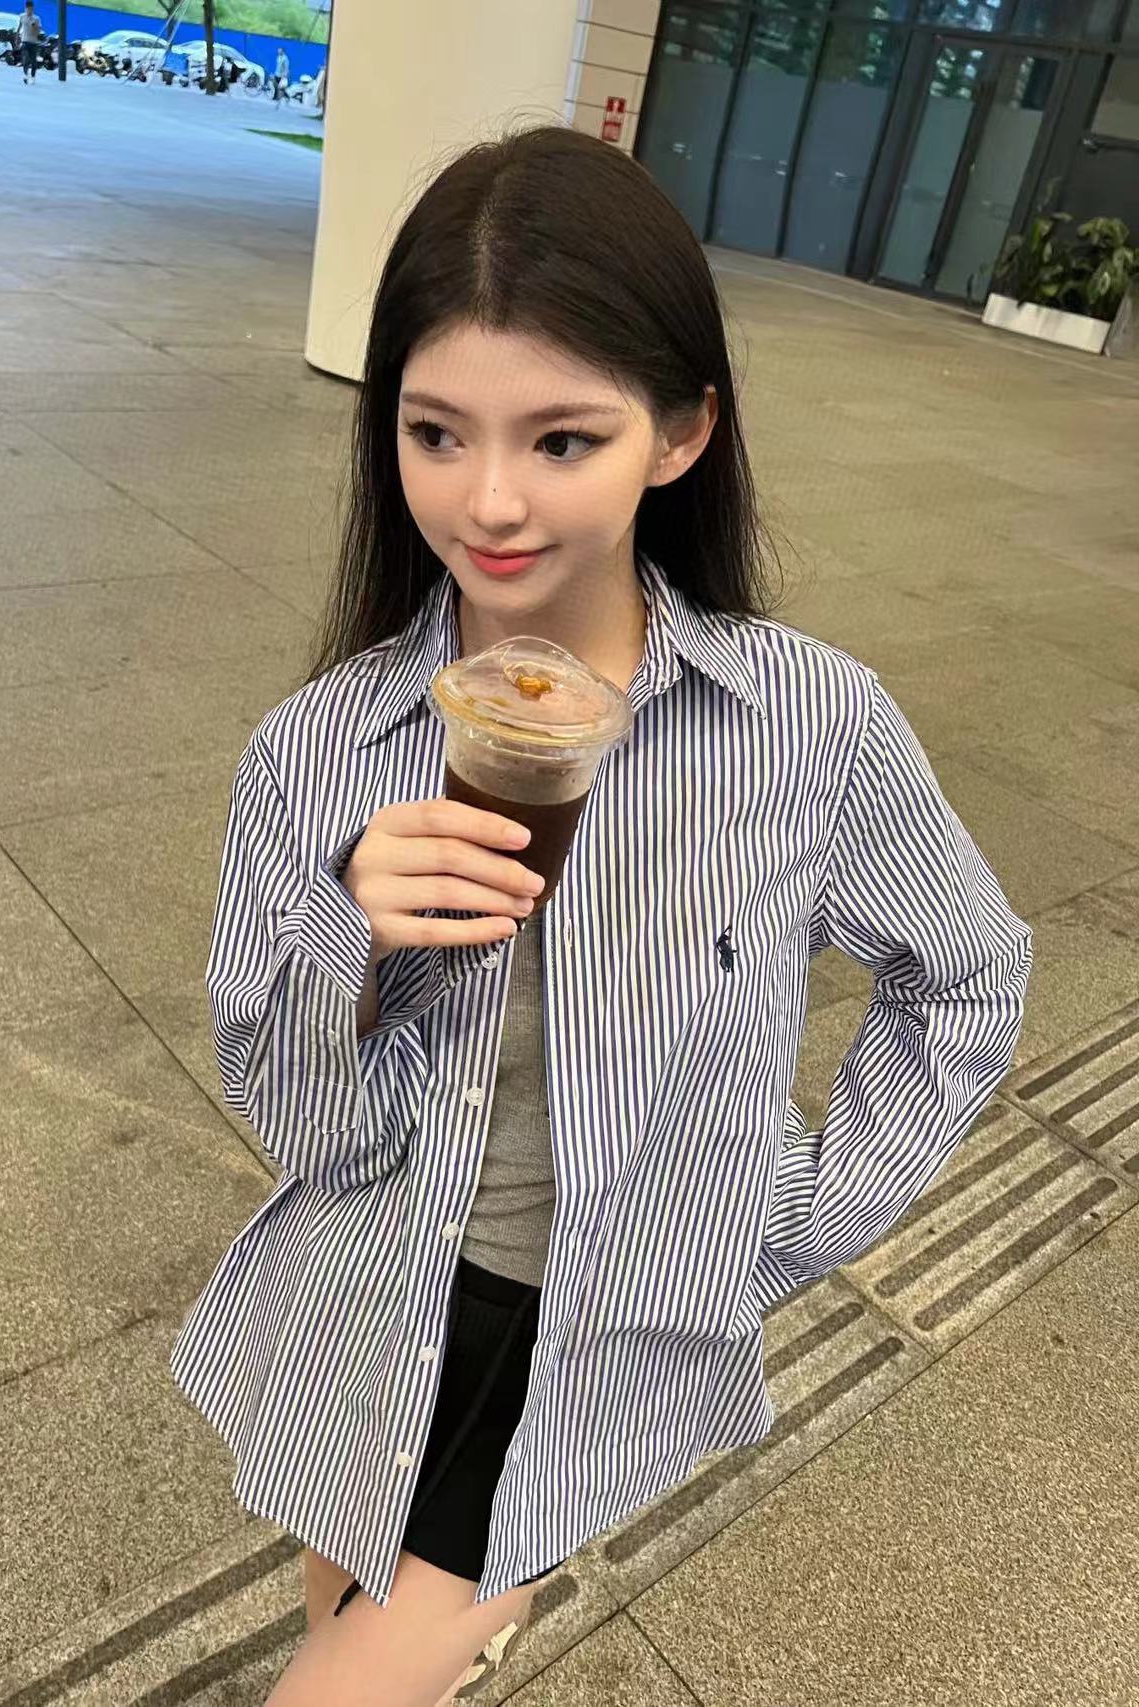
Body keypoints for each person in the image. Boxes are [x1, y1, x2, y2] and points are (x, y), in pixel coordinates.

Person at [169, 124, 1032, 1707]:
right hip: (365, 1301)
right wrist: (352, 938)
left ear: (681, 432)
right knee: (340, 1601)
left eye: (563, 438)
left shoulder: (804, 727)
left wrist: (794, 1208)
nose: (489, 499)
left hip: (591, 1336)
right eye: (435, 431)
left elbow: (966, 972)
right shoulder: (321, 746)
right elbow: (296, 1121)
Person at [15, 0, 41, 82]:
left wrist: (34, 25)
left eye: (31, 9)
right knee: (26, 59)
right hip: (25, 41)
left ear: (33, 9)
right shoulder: (22, 16)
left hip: (33, 42)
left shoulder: (36, 18)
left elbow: (38, 31)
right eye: (28, 9)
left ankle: (33, 76)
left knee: (33, 61)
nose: (29, 10)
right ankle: (26, 75)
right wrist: (17, 38)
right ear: (25, 8)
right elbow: (19, 27)